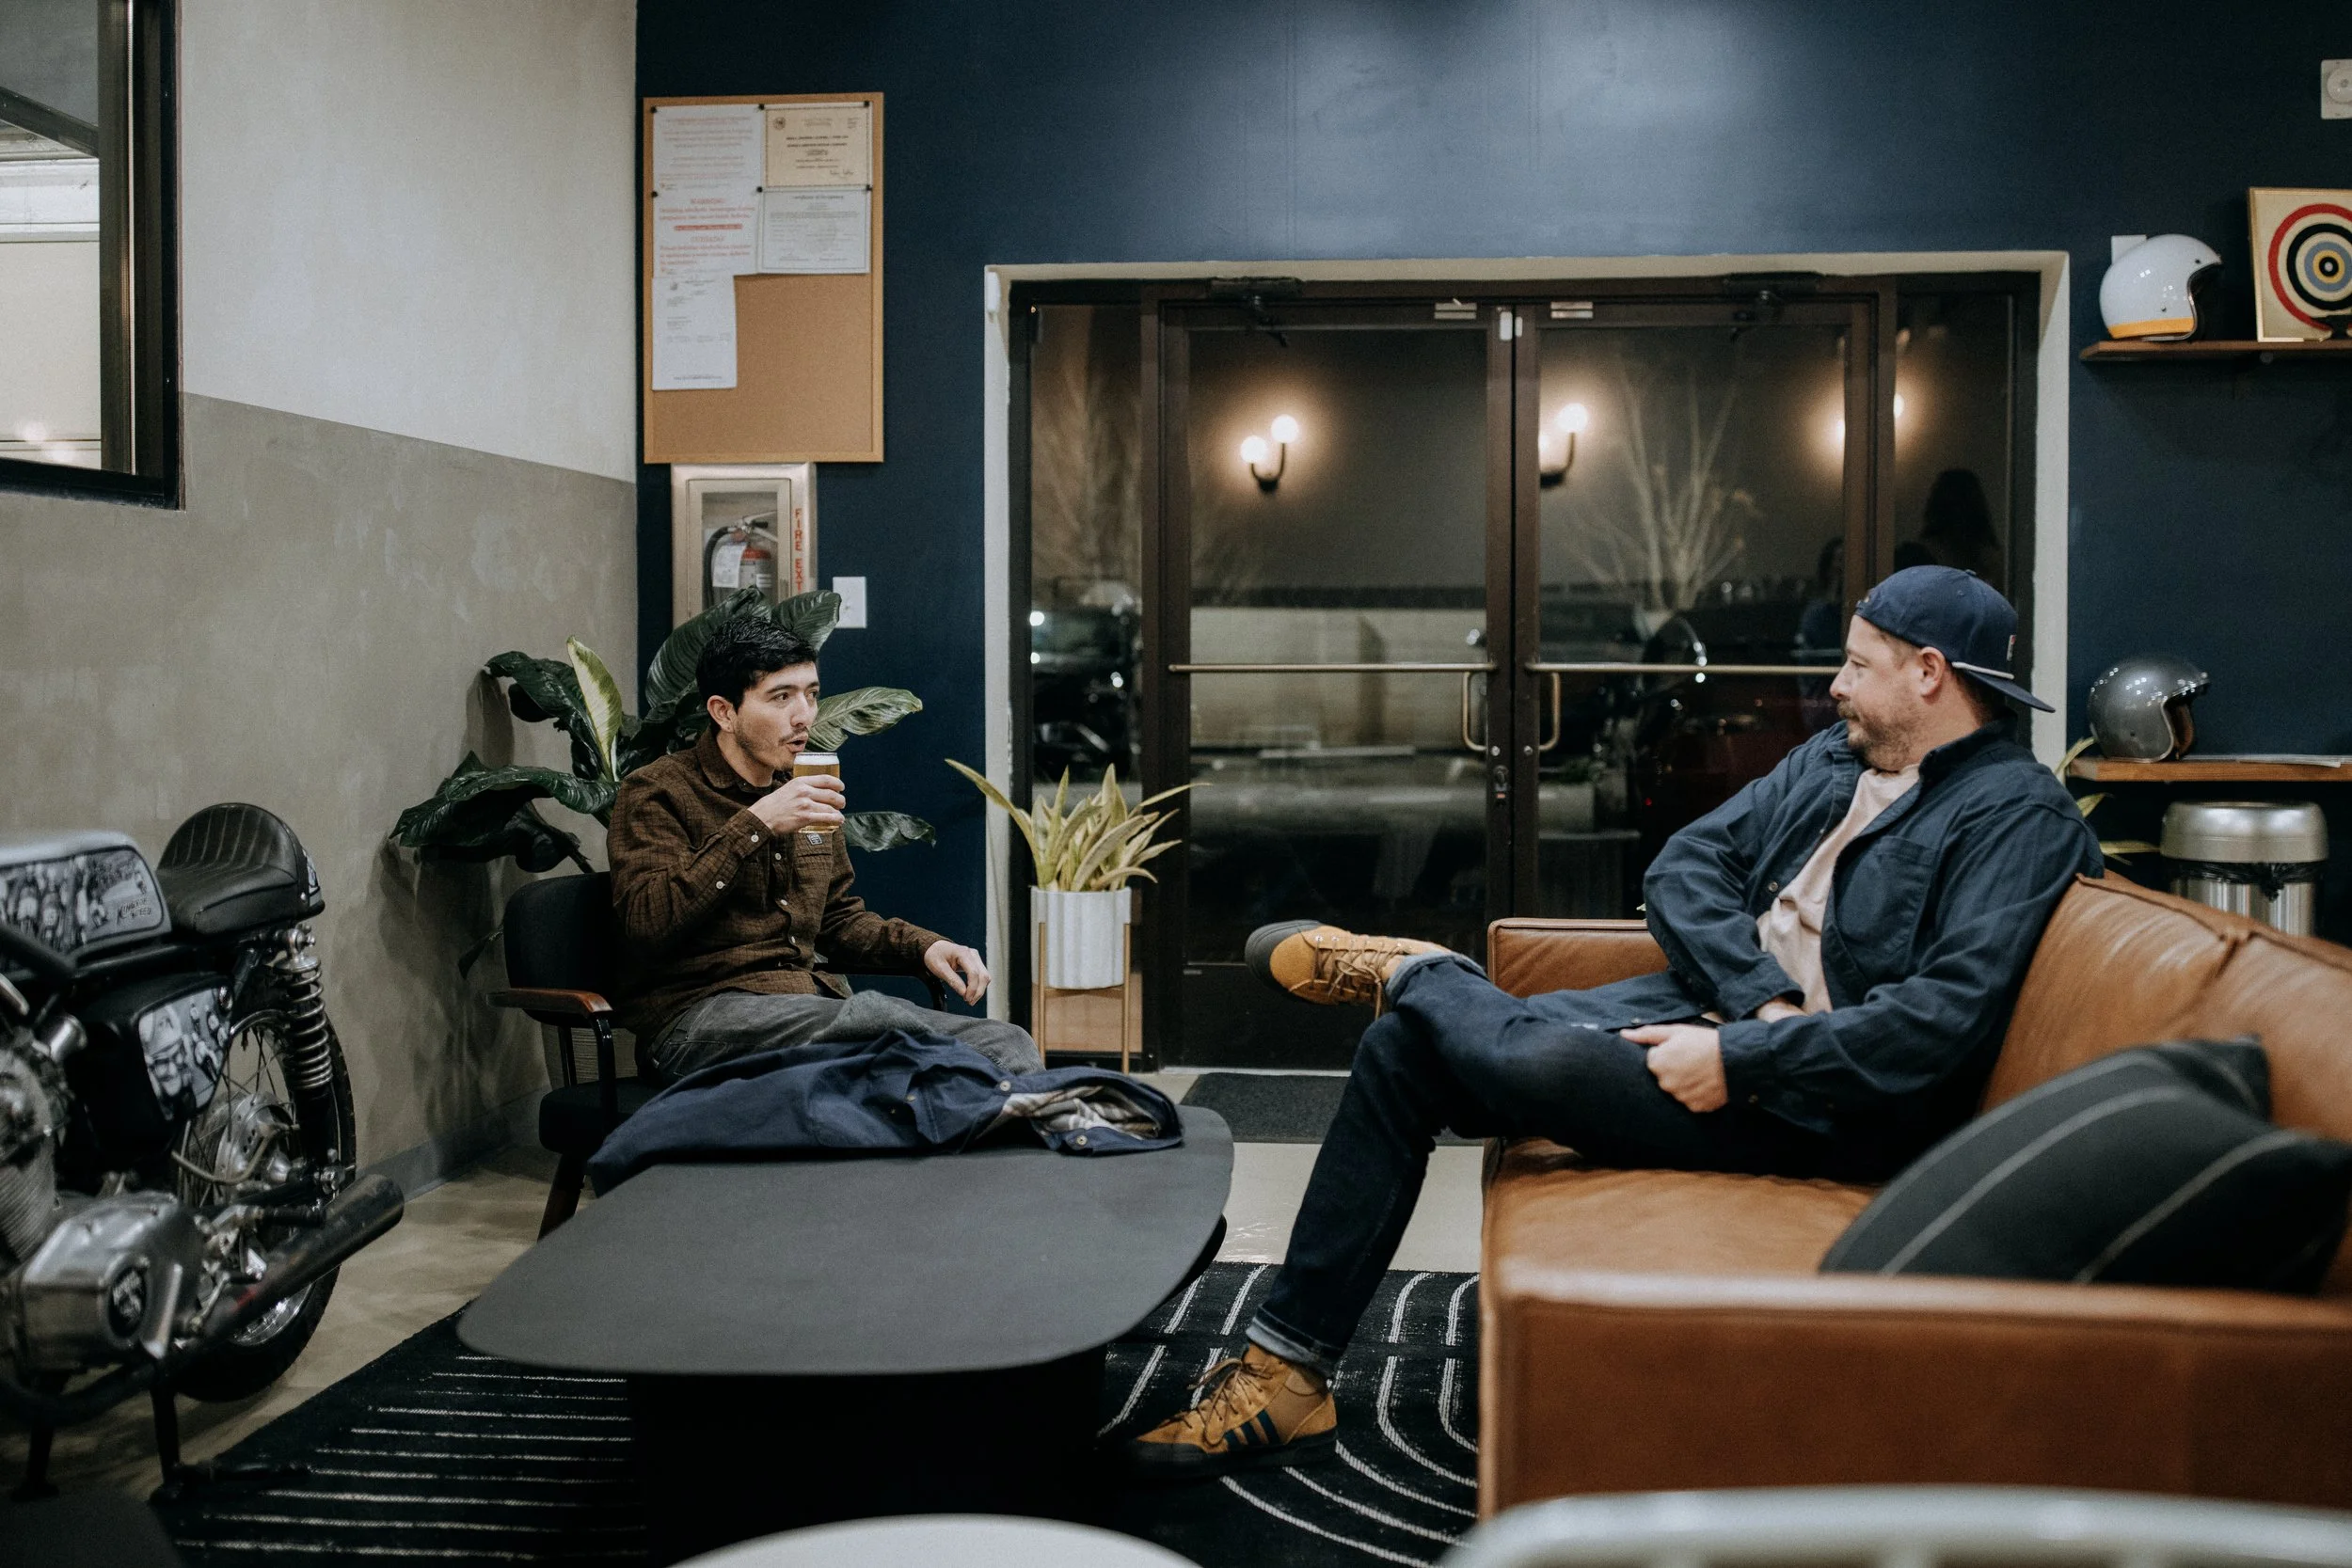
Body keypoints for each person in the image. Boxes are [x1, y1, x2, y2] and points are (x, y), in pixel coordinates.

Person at [1123, 564, 2099, 1477]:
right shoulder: (1829, 760)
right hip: (1712, 1011)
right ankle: (1289, 1377)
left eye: (1856, 663)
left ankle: (1418, 971)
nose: (1835, 685)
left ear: (1928, 673)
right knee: (1399, 1050)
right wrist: (1754, 993)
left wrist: (1748, 1053)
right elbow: (1684, 866)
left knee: (1530, 1056)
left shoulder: (2016, 817)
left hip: (1819, 1101)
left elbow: (1939, 1020)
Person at [607, 617, 1038, 1081]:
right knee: (881, 1034)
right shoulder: (658, 791)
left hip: (810, 1008)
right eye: (781, 696)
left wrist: (926, 946)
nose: (804, 715)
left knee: (1005, 1043)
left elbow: (838, 919)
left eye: (811, 693)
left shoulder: (807, 788)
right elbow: (648, 921)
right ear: (724, 712)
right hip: (701, 1018)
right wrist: (757, 824)